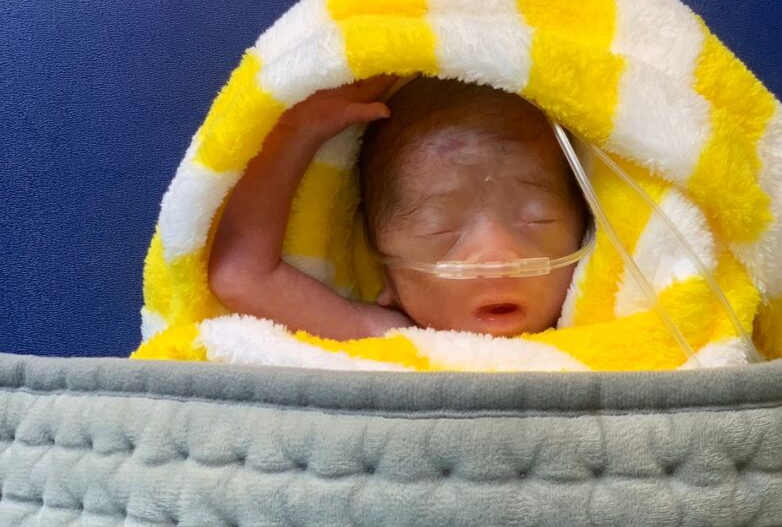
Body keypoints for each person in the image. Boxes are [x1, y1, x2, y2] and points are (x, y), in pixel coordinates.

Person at [208, 76, 588, 340]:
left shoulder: (607, 328)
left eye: (537, 218)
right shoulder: (388, 337)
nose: (496, 257)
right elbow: (241, 274)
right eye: (438, 228)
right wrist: (296, 134)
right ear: (387, 274)